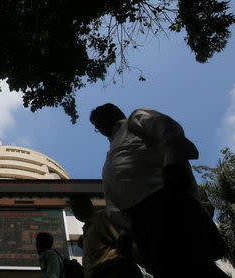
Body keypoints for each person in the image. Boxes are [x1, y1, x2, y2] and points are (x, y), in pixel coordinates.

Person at [89, 103, 229, 278]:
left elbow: (167, 130)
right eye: (96, 127)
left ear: (112, 114)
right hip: (140, 221)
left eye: (98, 122)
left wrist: (173, 165)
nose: (99, 128)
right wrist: (125, 231)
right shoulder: (111, 152)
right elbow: (114, 195)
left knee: (193, 266)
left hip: (164, 201)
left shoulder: (134, 120)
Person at [70, 194, 143, 278]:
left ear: (87, 205)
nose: (75, 213)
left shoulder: (104, 218)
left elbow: (128, 244)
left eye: (76, 208)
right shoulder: (87, 230)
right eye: (73, 210)